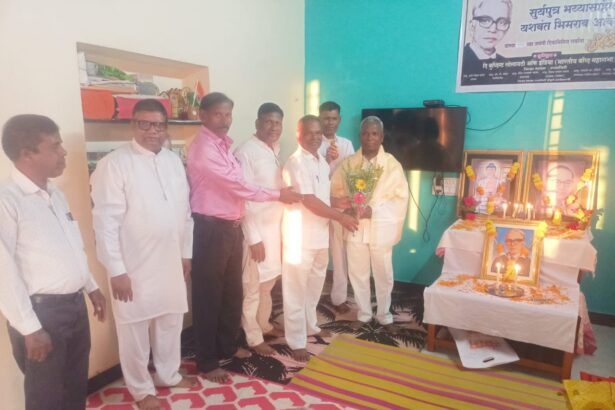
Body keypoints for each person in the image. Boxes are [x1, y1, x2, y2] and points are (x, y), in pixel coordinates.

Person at [187, 92, 301, 383]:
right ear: (202, 115)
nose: (225, 120)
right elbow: (238, 186)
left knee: (232, 293)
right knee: (208, 297)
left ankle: (227, 346)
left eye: (228, 114)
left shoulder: (223, 145)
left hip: (230, 227)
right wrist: (278, 195)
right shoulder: (203, 149)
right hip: (210, 229)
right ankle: (206, 360)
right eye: (218, 114)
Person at [90, 99, 195, 410]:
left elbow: (185, 212)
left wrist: (185, 253)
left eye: (159, 125)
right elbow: (105, 222)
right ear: (132, 125)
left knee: (171, 320)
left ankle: (168, 375)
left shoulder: (173, 162)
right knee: (134, 329)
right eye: (145, 124)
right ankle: (140, 389)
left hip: (170, 259)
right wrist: (116, 270)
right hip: (133, 264)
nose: (153, 131)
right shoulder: (114, 164)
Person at [0, 114, 106, 410]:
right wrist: (30, 328)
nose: (64, 152)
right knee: (46, 397)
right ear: (27, 154)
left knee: (74, 388)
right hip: (41, 313)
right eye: (55, 146)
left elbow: (72, 246)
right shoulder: (7, 201)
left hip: (74, 306)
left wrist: (91, 286)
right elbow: (3, 271)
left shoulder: (55, 193)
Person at [282, 115, 359, 362]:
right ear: (299, 135)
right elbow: (310, 201)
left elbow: (323, 197)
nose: (315, 137)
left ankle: (310, 326)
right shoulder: (296, 162)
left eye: (318, 133)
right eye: (309, 133)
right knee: (295, 290)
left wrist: (343, 203)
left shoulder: (321, 162)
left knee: (314, 286)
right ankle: (296, 340)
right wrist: (341, 217)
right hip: (299, 238)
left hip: (319, 237)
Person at [331, 116, 408, 332]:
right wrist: (347, 208)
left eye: (374, 134)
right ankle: (364, 314)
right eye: (365, 133)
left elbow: (400, 199)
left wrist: (373, 211)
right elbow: (335, 193)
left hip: (381, 228)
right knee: (357, 273)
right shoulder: (348, 165)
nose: (369, 138)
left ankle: (384, 316)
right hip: (355, 227)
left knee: (383, 273)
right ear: (360, 136)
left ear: (381, 137)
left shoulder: (392, 165)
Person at [234, 103, 286, 356]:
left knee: (268, 283)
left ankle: (263, 325)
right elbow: (242, 197)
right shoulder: (246, 152)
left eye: (278, 123)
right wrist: (254, 238)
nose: (273, 127)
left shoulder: (274, 149)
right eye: (268, 121)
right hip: (255, 234)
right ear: (257, 123)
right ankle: (253, 338)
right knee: (252, 287)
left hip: (274, 231)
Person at [318, 101, 355, 314]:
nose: (329, 122)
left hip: (339, 206)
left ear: (339, 120)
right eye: (325, 118)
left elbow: (352, 174)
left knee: (340, 254)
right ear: (320, 118)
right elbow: (312, 175)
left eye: (333, 118)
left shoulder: (347, 144)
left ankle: (338, 297)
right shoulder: (313, 142)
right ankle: (311, 296)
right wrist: (326, 159)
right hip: (317, 206)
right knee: (317, 253)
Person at [462, 0, 512, 72]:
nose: (493, 29)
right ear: (472, 25)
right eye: (485, 20)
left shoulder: (508, 65)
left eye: (501, 22)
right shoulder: (459, 60)